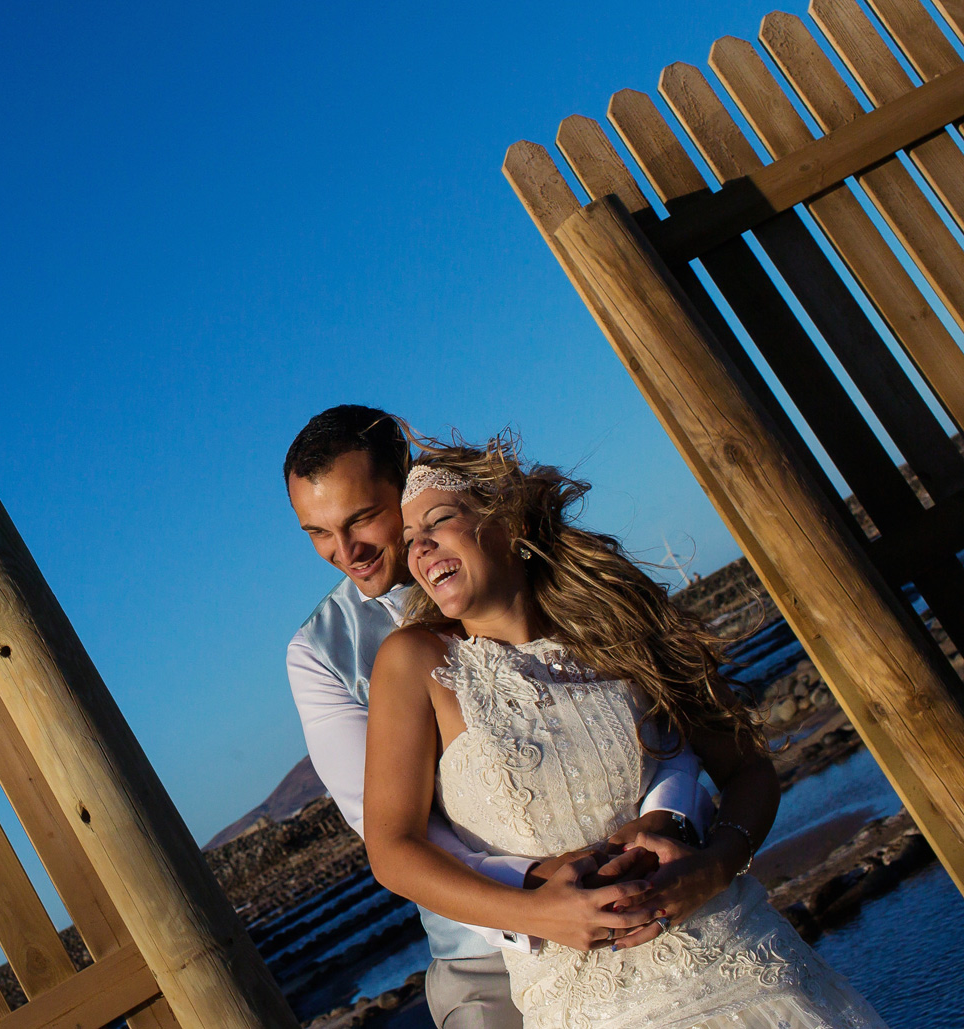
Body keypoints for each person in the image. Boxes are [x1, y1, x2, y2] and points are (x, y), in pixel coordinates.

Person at [362, 435, 886, 1029]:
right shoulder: (415, 663)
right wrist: (535, 914)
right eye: (409, 542)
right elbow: (392, 850)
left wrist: (714, 865)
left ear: (509, 524)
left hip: (740, 964)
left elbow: (747, 769)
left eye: (440, 520)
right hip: (587, 1003)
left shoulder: (619, 627)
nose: (421, 546)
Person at [284, 406, 713, 1029]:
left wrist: (666, 827)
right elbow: (388, 828)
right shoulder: (322, 653)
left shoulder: (540, 580)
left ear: (406, 481)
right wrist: (548, 890)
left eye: (360, 519)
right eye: (317, 533)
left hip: (644, 894)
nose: (344, 551)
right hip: (483, 956)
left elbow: (655, 724)